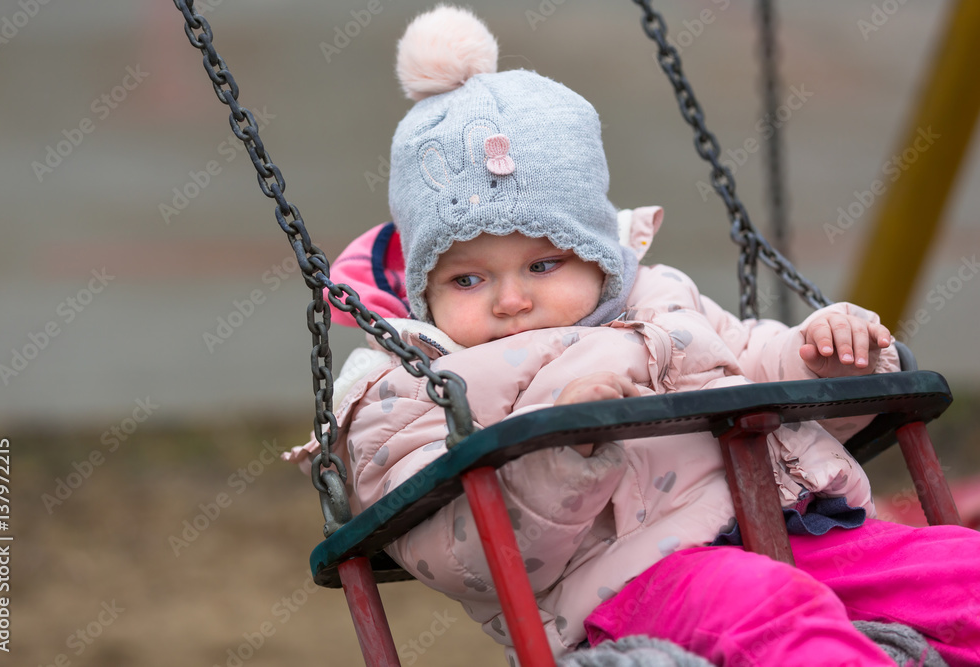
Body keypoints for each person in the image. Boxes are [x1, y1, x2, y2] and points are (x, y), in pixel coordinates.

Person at [284, 6, 980, 666]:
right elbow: (458, 554)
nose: (513, 298)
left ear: (597, 256)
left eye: (545, 263)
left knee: (960, 571)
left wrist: (824, 354)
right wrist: (564, 445)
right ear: (423, 293)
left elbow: (754, 355)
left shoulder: (661, 297)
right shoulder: (404, 389)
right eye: (467, 280)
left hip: (800, 526)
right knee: (774, 611)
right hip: (637, 583)